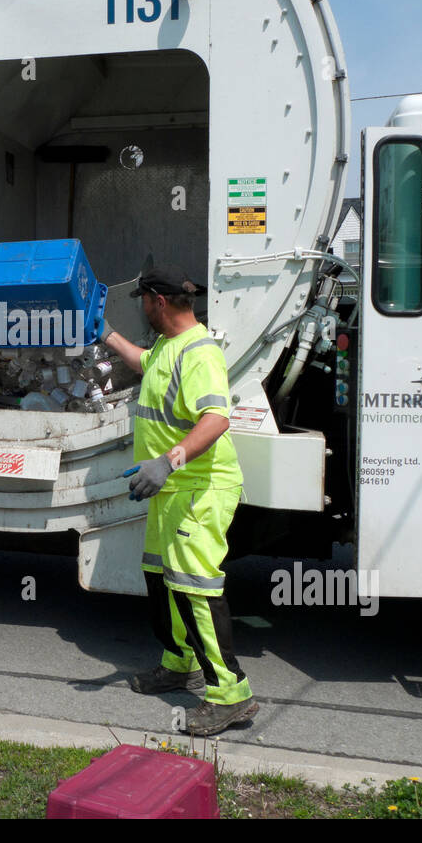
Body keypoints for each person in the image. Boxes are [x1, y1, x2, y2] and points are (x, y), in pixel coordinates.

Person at [100, 267, 259, 736]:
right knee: (161, 578)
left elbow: (216, 419)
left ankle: (231, 695)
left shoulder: (200, 353)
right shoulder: (169, 347)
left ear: (157, 301)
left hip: (199, 489)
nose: (141, 308)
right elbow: (142, 361)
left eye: (141, 301)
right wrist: (106, 334)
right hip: (172, 489)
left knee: (196, 588)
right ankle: (178, 663)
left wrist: (168, 462)